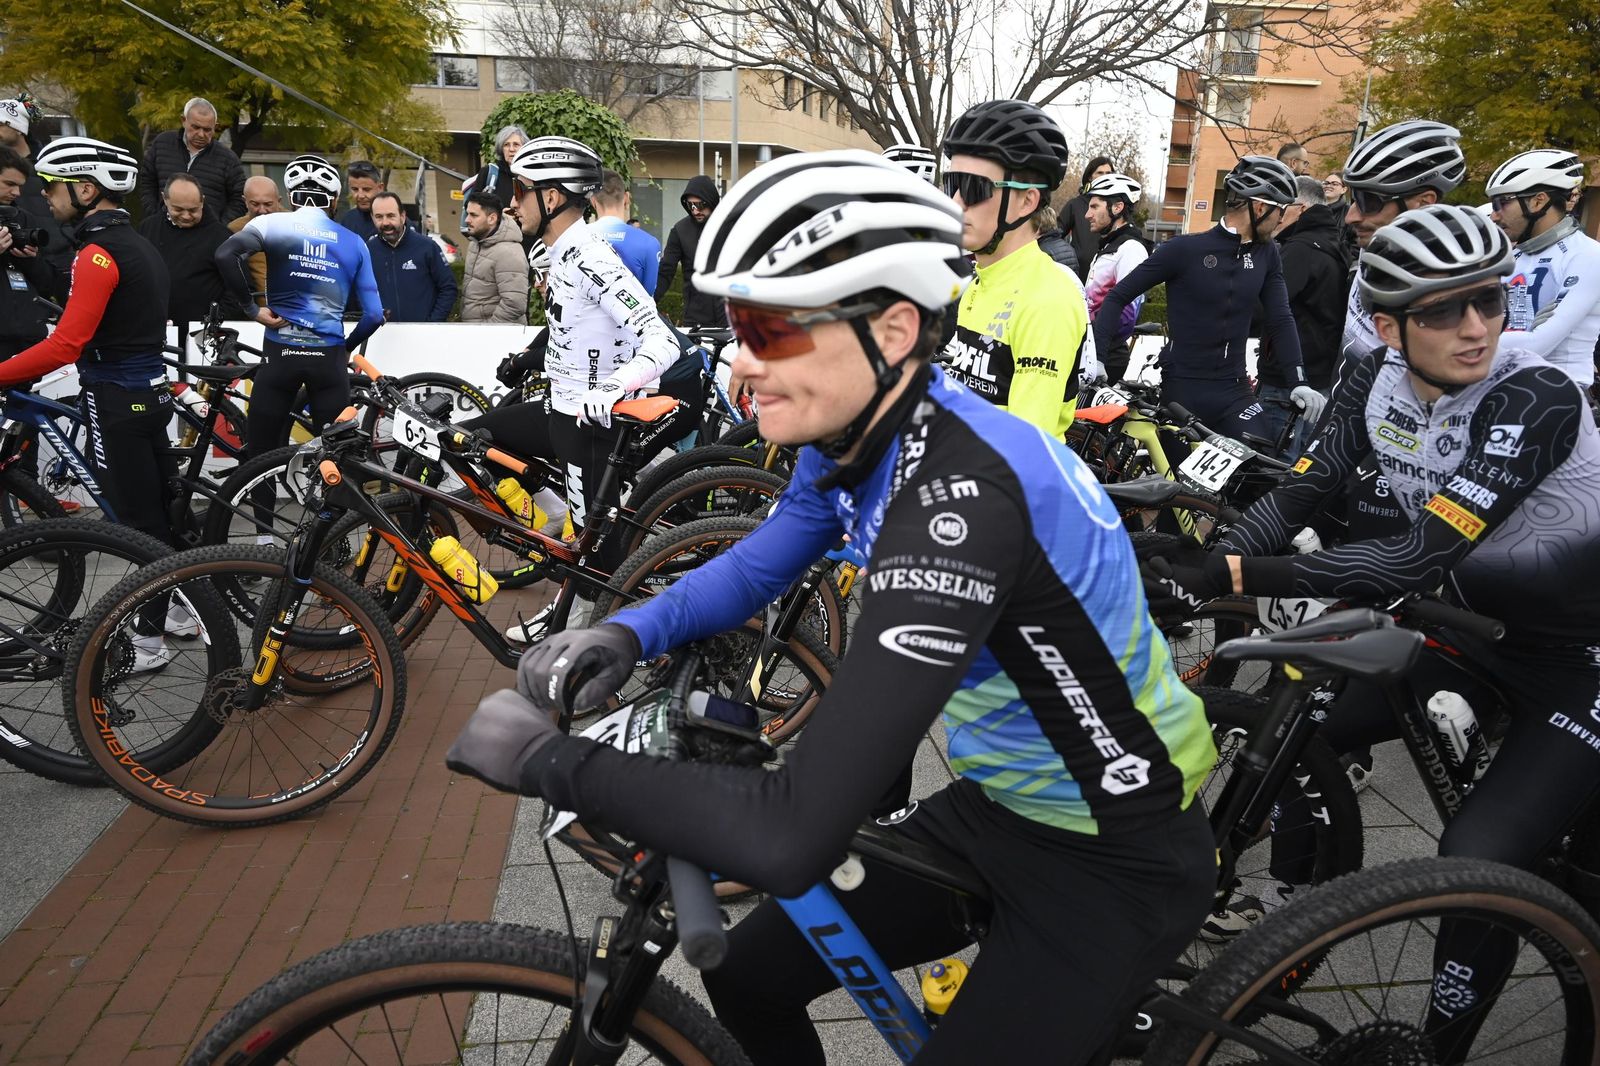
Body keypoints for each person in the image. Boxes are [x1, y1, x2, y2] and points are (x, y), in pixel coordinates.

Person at [445, 148, 1219, 1065]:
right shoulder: (859, 431)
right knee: (744, 972)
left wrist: (553, 763)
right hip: (1002, 806)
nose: (739, 360)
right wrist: (625, 629)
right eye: (735, 323)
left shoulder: (960, 506)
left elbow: (790, 829)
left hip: (1112, 848)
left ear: (893, 330)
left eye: (769, 328)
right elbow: (757, 564)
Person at [1146, 205, 1600, 1061]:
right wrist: (1211, 568)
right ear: (1389, 325)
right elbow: (1299, 496)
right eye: (1442, 311)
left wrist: (1232, 578)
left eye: (1491, 302)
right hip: (1469, 631)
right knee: (1295, 718)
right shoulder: (1368, 376)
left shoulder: (1535, 392)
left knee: (1478, 855)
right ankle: (1288, 900)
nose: (1477, 329)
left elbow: (1410, 557)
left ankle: (1440, 1046)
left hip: (1580, 660)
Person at [460, 136, 680, 644]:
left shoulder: (588, 257)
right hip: (558, 408)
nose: (512, 202)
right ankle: (556, 517)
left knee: (597, 561)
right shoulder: (555, 254)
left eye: (521, 189)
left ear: (552, 197)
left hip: (589, 423)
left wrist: (615, 385)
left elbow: (661, 338)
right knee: (467, 441)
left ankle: (575, 651)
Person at [0, 138, 178, 552]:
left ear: (85, 189)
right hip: (149, 394)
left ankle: (164, 615)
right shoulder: (138, 245)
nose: (43, 193)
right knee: (158, 520)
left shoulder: (97, 253)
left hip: (116, 397)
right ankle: (175, 612)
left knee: (132, 528)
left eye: (51, 183)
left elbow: (65, 346)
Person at [1093, 155, 1326, 439]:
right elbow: (1118, 296)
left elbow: (1280, 318)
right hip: (1183, 390)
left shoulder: (1268, 254)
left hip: (1235, 390)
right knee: (1178, 481)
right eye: (1281, 210)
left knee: (1256, 467)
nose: (1281, 219)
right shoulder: (1185, 249)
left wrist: (1298, 381)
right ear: (1261, 207)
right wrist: (1098, 358)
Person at [214, 154, 384, 500]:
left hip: (280, 355)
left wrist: (252, 309)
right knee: (335, 460)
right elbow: (374, 315)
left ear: (292, 196)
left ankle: (262, 541)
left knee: (259, 457)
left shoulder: (271, 224)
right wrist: (347, 346)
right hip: (329, 360)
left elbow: (224, 256)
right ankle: (328, 543)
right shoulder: (353, 242)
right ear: (334, 200)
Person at [940, 99, 1091, 440]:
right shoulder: (982, 280)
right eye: (952, 185)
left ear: (1027, 201)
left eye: (975, 188)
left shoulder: (1047, 299)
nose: (956, 203)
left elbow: (1024, 445)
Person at [1336, 120, 1466, 380]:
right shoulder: (1375, 243)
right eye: (1353, 199)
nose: (1351, 216)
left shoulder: (1450, 287)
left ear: (1423, 202)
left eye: (1367, 201)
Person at [1253, 176, 1352, 457]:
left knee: (1268, 466)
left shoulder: (1300, 249)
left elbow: (1264, 309)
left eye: (1284, 208)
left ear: (1303, 208)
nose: (1277, 215)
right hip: (1316, 376)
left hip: (1288, 381)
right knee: (1295, 463)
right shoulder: (1331, 244)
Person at [1486, 149, 1600, 389]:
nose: (1494, 215)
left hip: (1561, 391)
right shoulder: (1512, 256)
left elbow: (1539, 343)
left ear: (1538, 201)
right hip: (1504, 384)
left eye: (1502, 203)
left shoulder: (1588, 255)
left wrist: (1462, 343)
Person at [137, 173, 237, 340]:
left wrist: (213, 321)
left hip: (203, 337)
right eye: (178, 209)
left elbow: (239, 289)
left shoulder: (222, 237)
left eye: (193, 210)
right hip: (152, 331)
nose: (186, 216)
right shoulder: (148, 228)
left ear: (202, 201)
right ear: (164, 199)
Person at [1082, 172, 1150, 385]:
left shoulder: (1130, 249)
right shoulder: (1108, 248)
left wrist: (1098, 351)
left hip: (1106, 357)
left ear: (1117, 207)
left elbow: (1127, 313)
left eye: (1094, 207)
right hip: (1090, 351)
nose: (1087, 214)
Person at [136, 97, 246, 224]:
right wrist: (153, 217)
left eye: (207, 129)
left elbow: (239, 199)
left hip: (207, 236)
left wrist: (219, 228)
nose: (201, 134)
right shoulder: (162, 144)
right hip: (161, 230)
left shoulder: (228, 158)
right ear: (184, 121)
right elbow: (146, 182)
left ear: (215, 127)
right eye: (195, 127)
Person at [0, 146, 60, 363]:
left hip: (30, 338)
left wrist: (31, 260)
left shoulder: (24, 218)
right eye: (10, 184)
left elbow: (48, 283)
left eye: (19, 186)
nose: (16, 193)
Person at [366, 191, 457, 322]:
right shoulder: (367, 251)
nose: (385, 222)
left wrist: (433, 323)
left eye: (391, 216)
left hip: (423, 335)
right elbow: (359, 292)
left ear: (402, 216)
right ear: (372, 218)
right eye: (379, 217)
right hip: (383, 335)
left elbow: (448, 288)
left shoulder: (427, 247)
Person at [654, 175, 727, 327]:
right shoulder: (680, 231)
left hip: (730, 314)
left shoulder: (731, 227)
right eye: (690, 205)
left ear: (711, 201)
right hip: (695, 317)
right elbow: (666, 271)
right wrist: (649, 302)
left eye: (700, 205)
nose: (695, 211)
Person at [459, 190, 529, 324]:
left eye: (473, 215)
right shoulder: (475, 243)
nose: (467, 220)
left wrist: (488, 331)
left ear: (492, 218)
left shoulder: (508, 252)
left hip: (496, 338)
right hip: (475, 334)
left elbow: (514, 303)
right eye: (467, 213)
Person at [590, 169, 660, 291]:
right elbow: (648, 298)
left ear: (593, 200)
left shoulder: (574, 238)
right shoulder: (649, 244)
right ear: (627, 198)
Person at [227, 176, 283, 308]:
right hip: (253, 310)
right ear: (244, 201)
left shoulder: (295, 225)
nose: (262, 210)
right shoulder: (234, 230)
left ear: (279, 201)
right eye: (255, 204)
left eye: (268, 204)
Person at [461, 124, 526, 235]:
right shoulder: (490, 173)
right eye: (506, 145)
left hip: (526, 242)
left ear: (524, 148)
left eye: (516, 144)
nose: (511, 149)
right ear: (501, 149)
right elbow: (471, 206)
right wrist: (500, 216)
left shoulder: (530, 175)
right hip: (494, 240)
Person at [1058, 154, 1114, 281]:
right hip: (1078, 276)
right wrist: (1070, 257)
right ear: (1090, 176)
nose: (1104, 177)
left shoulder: (1118, 207)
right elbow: (1055, 234)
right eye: (1100, 173)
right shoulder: (1075, 204)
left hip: (1106, 277)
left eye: (1108, 173)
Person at [337, 161, 387, 242]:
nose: (360, 196)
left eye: (366, 189)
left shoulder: (396, 222)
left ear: (380, 188)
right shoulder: (347, 220)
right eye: (355, 189)